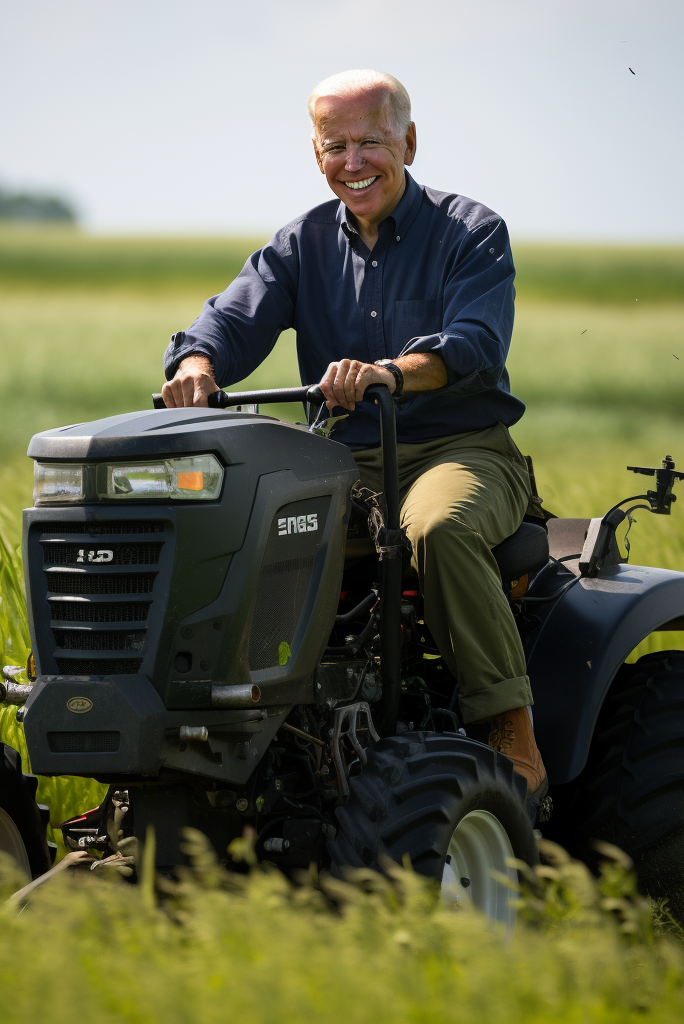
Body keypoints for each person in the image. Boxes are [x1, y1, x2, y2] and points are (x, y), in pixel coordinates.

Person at [161, 69, 546, 803]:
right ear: (315, 154)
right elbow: (231, 321)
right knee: (227, 527)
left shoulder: (472, 232)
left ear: (407, 139)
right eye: (334, 145)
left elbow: (473, 345)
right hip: (339, 459)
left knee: (436, 527)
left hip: (456, 448)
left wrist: (389, 373)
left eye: (370, 141)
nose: (353, 161)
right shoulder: (299, 243)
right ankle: (232, 728)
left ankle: (511, 730)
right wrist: (198, 364)